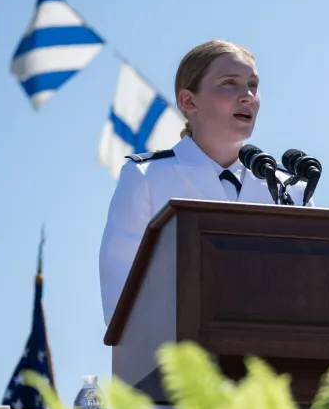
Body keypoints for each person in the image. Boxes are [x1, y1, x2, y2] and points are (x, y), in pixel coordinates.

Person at [99, 39, 312, 324]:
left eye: (253, 85)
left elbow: (314, 288)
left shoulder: (291, 189)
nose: (247, 95)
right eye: (229, 83)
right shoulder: (147, 177)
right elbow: (121, 293)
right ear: (189, 101)